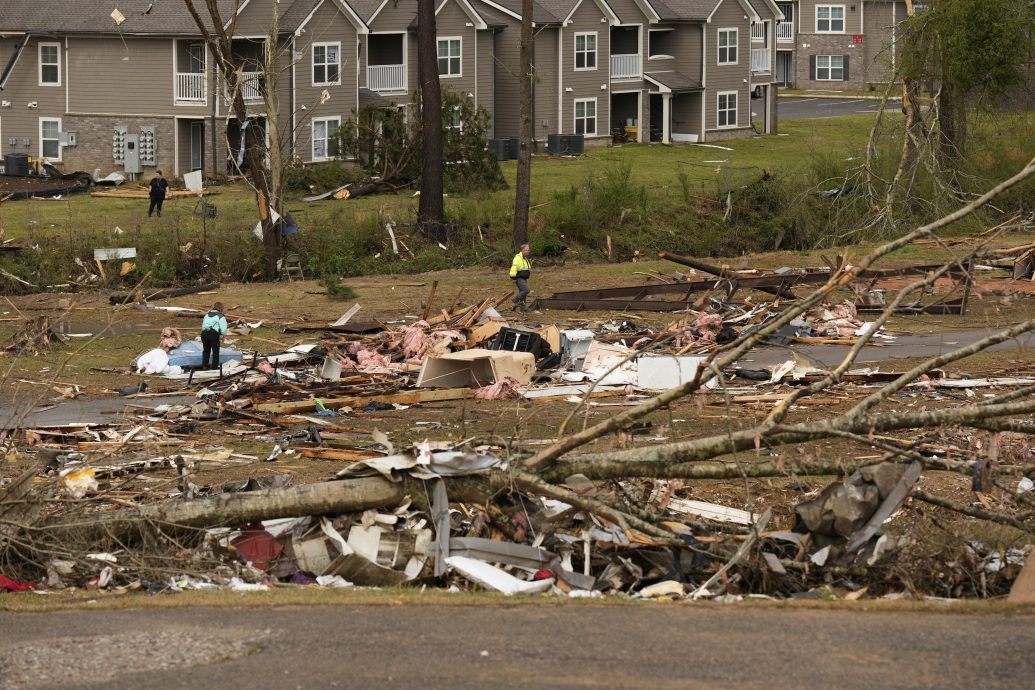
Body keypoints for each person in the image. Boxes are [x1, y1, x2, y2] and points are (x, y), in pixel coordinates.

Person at [200, 302, 228, 370]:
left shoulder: (207, 315)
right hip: (213, 334)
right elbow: (224, 329)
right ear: (221, 309)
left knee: (206, 350)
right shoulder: (220, 316)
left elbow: (203, 325)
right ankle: (214, 367)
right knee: (215, 350)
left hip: (204, 333)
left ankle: (204, 366)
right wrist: (223, 336)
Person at [508, 243, 532, 312]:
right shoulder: (517, 258)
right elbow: (513, 268)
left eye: (528, 250)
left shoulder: (525, 258)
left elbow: (525, 268)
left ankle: (523, 309)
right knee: (526, 290)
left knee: (523, 293)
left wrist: (531, 263)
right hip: (519, 278)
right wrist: (513, 278)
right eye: (527, 250)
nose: (528, 251)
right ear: (523, 250)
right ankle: (515, 300)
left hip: (524, 278)